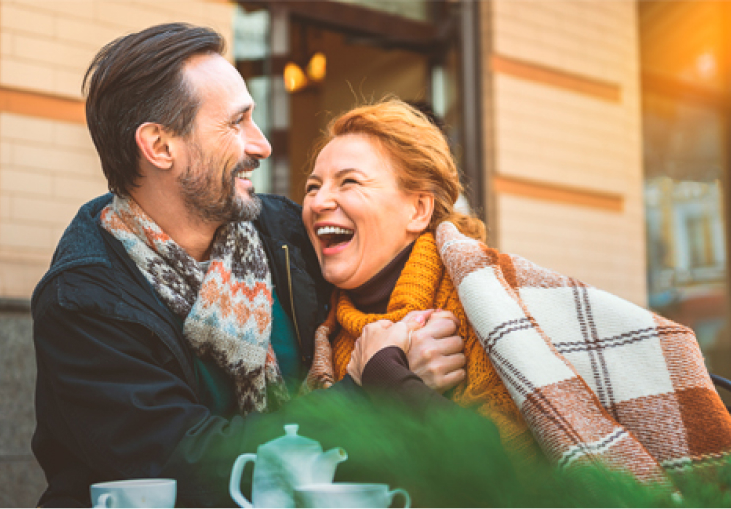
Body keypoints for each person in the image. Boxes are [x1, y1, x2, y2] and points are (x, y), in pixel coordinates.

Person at [31, 24, 470, 507]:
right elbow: (195, 466)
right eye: (236, 123)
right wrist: (370, 390)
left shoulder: (283, 233)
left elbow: (392, 255)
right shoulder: (85, 300)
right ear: (159, 146)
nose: (261, 145)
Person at [301, 98, 731, 486]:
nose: (320, 201)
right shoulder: (320, 328)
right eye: (313, 186)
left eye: (349, 182)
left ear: (418, 209)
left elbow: (501, 480)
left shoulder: (487, 308)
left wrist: (385, 374)